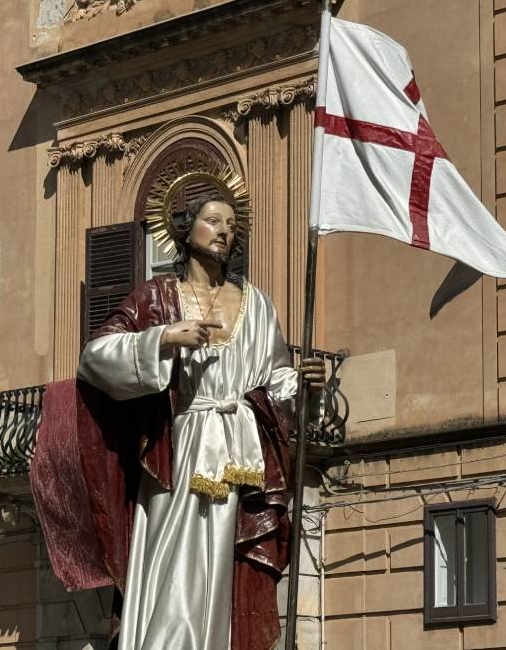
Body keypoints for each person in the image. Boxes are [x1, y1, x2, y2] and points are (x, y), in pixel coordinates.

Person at [76, 167, 325, 650]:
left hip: (242, 452)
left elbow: (275, 380)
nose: (225, 232)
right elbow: (95, 357)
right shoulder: (157, 298)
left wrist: (306, 387)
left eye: (232, 225)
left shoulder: (257, 305)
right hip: (182, 450)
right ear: (185, 231)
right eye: (214, 221)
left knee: (229, 567)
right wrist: (165, 337)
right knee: (176, 568)